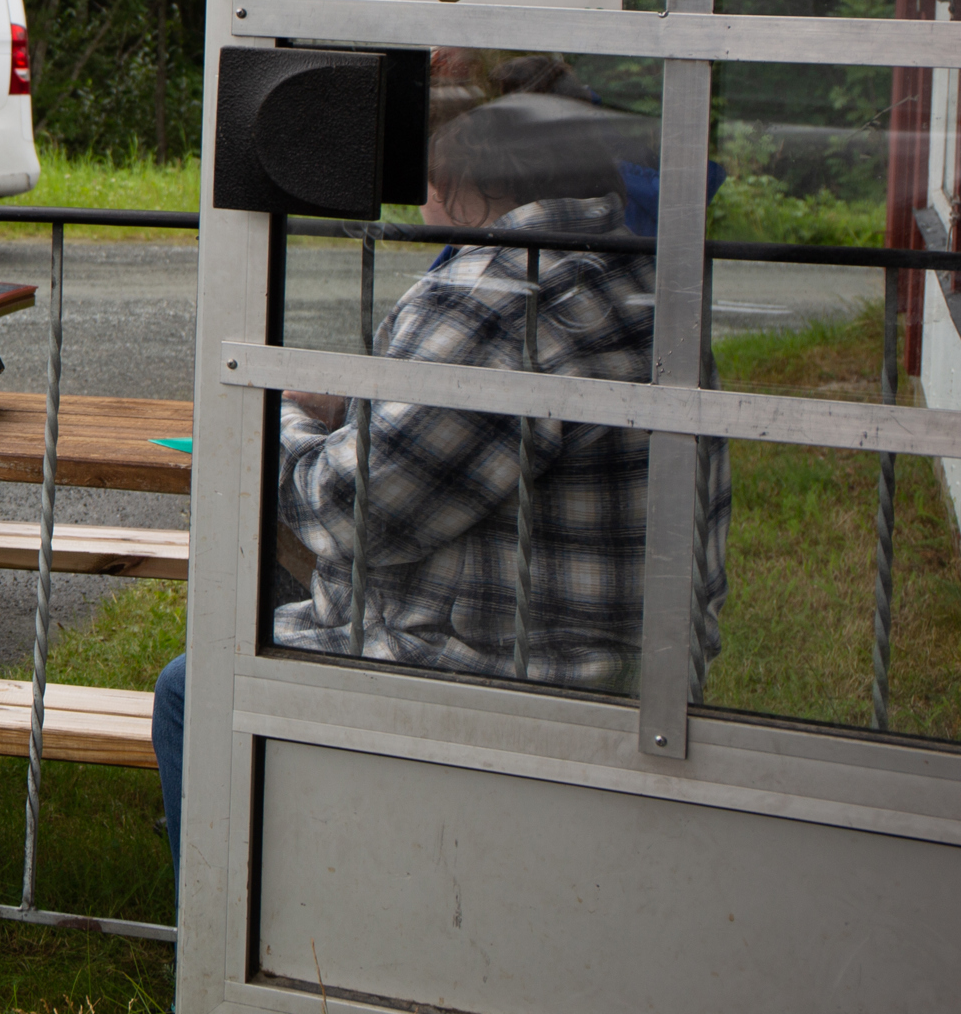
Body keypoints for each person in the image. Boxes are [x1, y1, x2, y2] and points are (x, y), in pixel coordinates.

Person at [153, 62, 729, 869]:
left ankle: (232, 926)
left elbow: (352, 512)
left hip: (496, 676)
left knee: (192, 688)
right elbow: (486, 432)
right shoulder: (634, 265)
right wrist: (354, 405)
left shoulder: (497, 292)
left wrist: (269, 416)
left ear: (462, 170)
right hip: (632, 669)